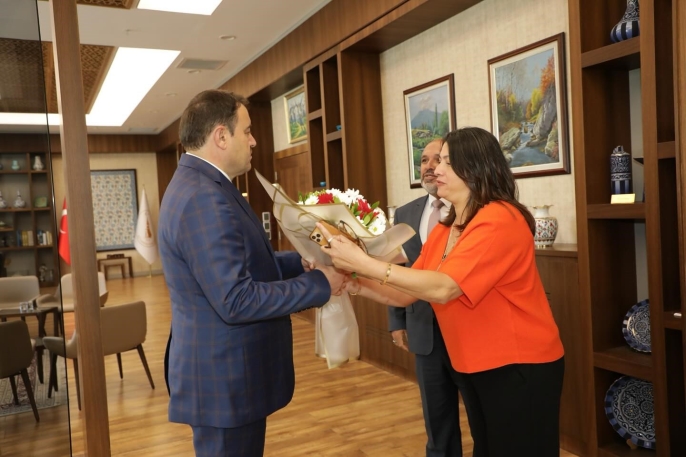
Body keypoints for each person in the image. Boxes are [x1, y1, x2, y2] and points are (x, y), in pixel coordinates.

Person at [319, 127, 565, 457]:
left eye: (447, 161)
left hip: (517, 364)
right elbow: (407, 291)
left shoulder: (499, 218)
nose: (436, 169)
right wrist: (355, 283)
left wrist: (364, 263)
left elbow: (445, 287)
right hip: (475, 363)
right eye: (437, 161)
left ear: (475, 167)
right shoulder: (447, 228)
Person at [158, 89, 345, 457]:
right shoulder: (203, 197)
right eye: (247, 131)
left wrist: (300, 262)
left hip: (225, 376)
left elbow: (240, 263)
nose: (254, 140)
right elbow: (236, 299)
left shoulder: (202, 185)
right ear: (221, 136)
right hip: (224, 382)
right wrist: (319, 283)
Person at [388, 139, 463, 457]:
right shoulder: (405, 213)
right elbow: (395, 269)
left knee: (483, 418)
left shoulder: (470, 209)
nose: (430, 166)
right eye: (424, 161)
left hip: (466, 328)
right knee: (437, 420)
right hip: (423, 330)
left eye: (438, 160)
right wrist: (396, 321)